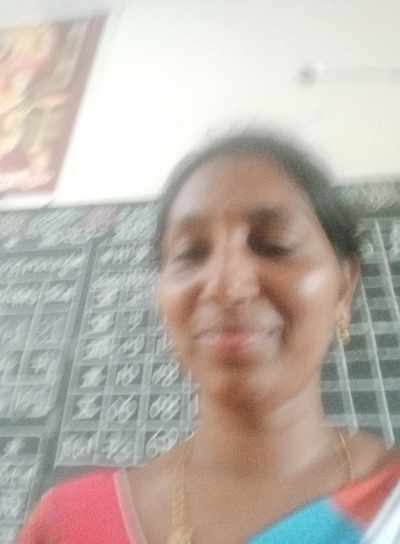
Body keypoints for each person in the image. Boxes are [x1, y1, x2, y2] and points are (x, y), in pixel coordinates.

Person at [18, 130, 400, 543]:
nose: (225, 284)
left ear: (343, 288)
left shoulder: (390, 503)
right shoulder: (70, 525)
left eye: (274, 245)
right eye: (192, 253)